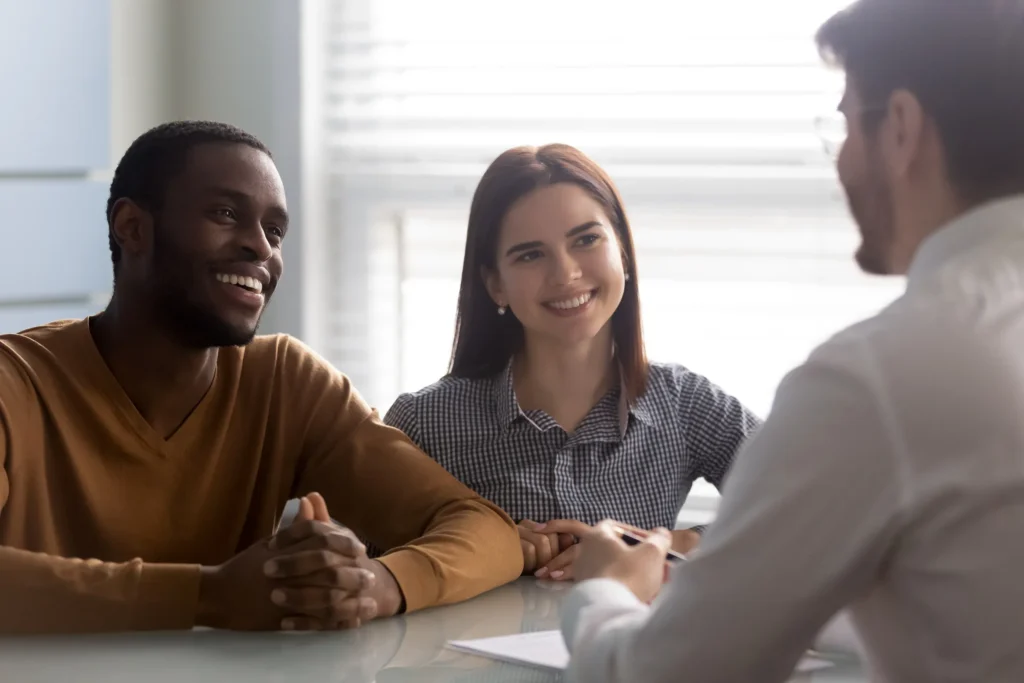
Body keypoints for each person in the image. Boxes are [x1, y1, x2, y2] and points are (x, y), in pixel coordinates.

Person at [560, 1, 1024, 681]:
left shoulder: (878, 378)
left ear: (900, 128)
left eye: (843, 123)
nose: (840, 159)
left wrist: (603, 591)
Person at [0, 121, 522, 635]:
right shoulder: (15, 382)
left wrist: (372, 583)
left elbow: (486, 530)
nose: (261, 248)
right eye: (226, 214)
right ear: (132, 227)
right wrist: (208, 595)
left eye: (274, 231)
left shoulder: (286, 382)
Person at [383, 144, 760, 581]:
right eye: (530, 254)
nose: (565, 274)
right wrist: (482, 547)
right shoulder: (424, 423)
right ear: (495, 285)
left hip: (633, 649)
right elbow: (359, 563)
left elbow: (808, 503)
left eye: (586, 240)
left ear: (623, 251)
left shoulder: (684, 403)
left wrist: (669, 545)